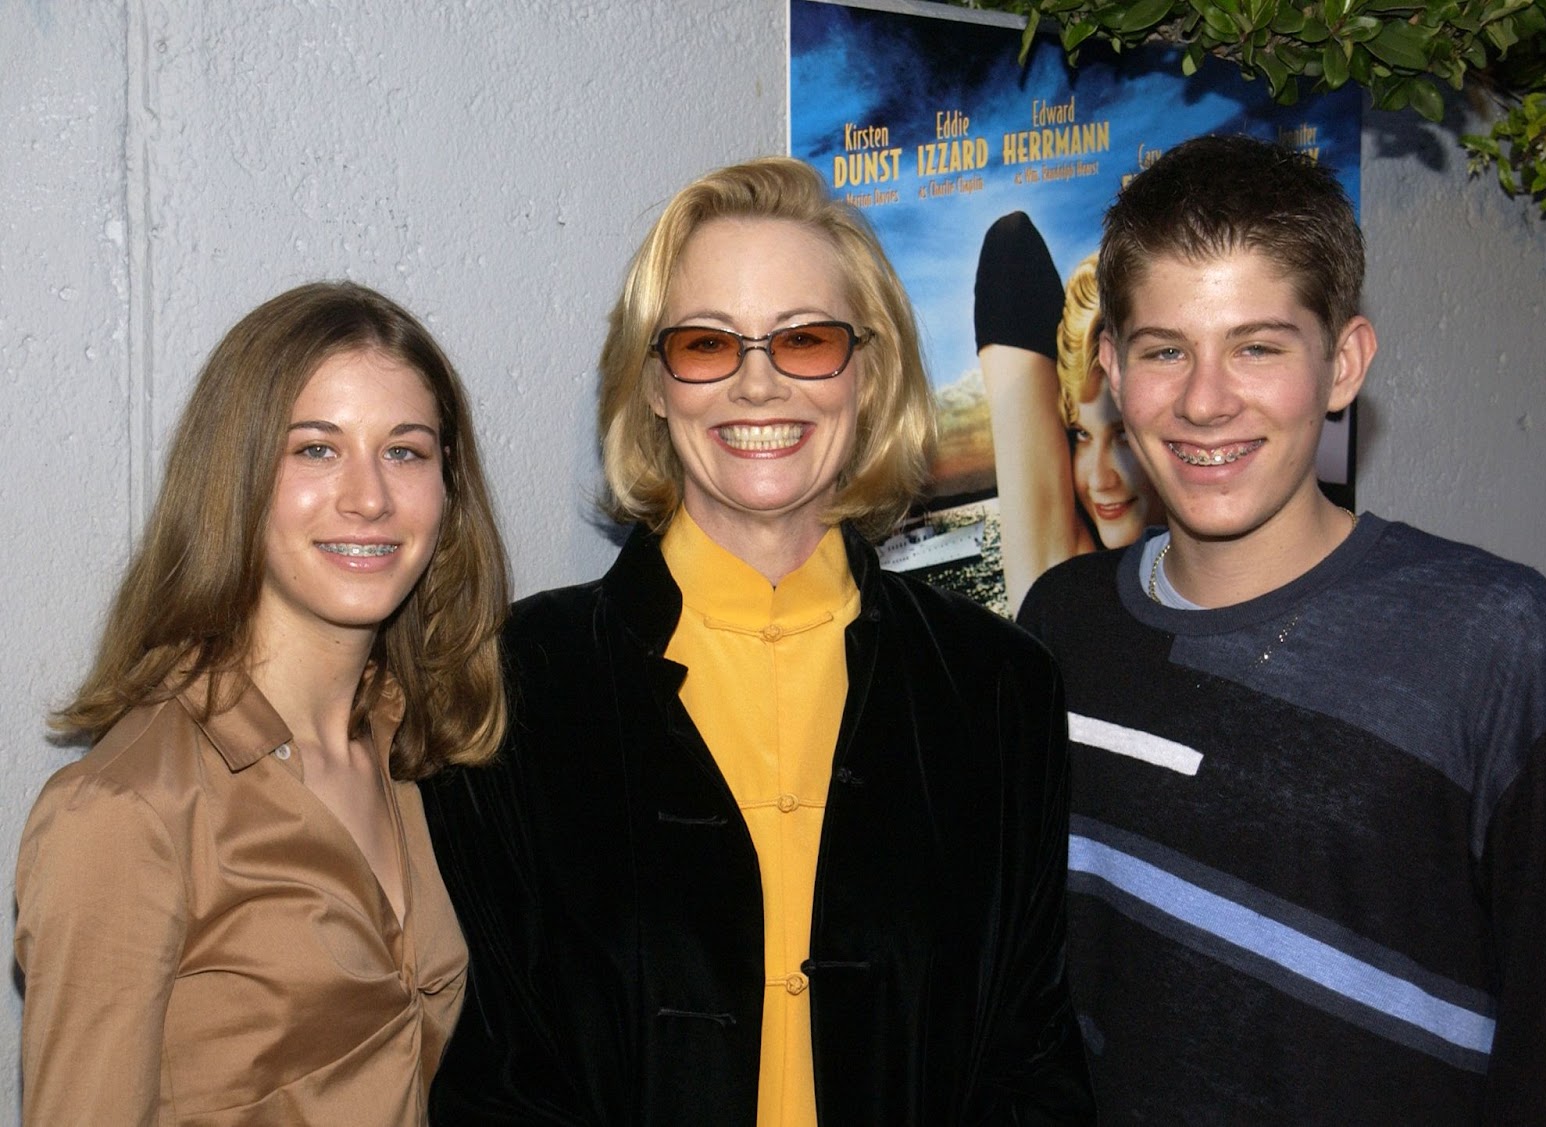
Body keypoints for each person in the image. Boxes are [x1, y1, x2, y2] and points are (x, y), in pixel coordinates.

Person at [422, 156, 1094, 1125]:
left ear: (868, 371)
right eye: (706, 344)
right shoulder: (513, 687)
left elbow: (1028, 1062)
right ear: (653, 383)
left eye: (806, 338)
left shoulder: (997, 690)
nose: (757, 383)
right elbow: (491, 1078)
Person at [1019, 133, 1546, 1123]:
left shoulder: (1498, 640)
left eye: (1256, 346)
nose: (1205, 400)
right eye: (1165, 350)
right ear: (1112, 369)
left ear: (1342, 362)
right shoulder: (1062, 623)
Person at [15, 281, 509, 1125]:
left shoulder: (419, 757)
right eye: (316, 449)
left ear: (448, 487)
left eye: (405, 450)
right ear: (235, 477)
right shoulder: (127, 811)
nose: (369, 497)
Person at [976, 216, 1163, 616]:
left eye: (1124, 435)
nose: (1100, 480)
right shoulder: (1061, 586)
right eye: (1080, 434)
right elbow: (1010, 246)